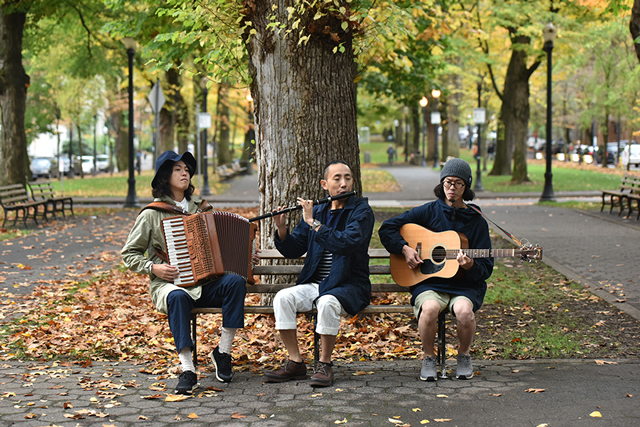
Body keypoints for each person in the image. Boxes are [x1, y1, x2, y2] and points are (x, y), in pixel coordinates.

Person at [122, 151, 257, 394]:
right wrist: (153, 267)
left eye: (187, 169)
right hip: (171, 286)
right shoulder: (152, 214)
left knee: (235, 282)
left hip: (206, 283)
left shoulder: (202, 208)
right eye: (177, 169)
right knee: (178, 296)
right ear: (165, 176)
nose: (184, 172)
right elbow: (129, 254)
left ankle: (223, 352)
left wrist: (245, 255)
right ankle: (188, 368)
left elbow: (221, 245)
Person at [378, 158, 493, 381]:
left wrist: (471, 265)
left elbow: (486, 267)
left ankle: (463, 355)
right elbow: (387, 228)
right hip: (430, 282)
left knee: (464, 312)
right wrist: (405, 249)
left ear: (466, 187)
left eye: (459, 183)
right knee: (429, 308)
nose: (452, 188)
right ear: (441, 183)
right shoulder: (428, 211)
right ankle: (428, 357)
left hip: (464, 286)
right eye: (448, 182)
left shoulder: (477, 220)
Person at [263, 161, 374, 387]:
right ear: (325, 184)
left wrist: (313, 223)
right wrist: (282, 228)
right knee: (283, 298)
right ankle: (295, 362)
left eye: (348, 178)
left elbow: (347, 242)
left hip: (348, 285)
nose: (344, 183)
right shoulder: (320, 210)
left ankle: (324, 364)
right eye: (337, 179)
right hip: (318, 283)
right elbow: (295, 248)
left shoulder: (361, 211)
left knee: (327, 302)